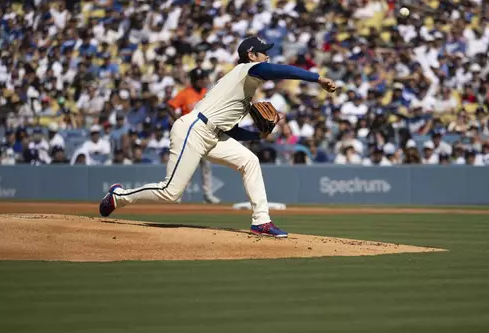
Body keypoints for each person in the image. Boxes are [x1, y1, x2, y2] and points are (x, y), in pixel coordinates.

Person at [100, 37, 337, 237]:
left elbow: (230, 130)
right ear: (252, 55)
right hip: (193, 129)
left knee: (250, 161)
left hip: (212, 133)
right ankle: (118, 196)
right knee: (171, 192)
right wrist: (317, 79)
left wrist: (256, 135)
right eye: (264, 52)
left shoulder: (243, 90)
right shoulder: (247, 69)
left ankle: (261, 221)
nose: (267, 56)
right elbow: (278, 70)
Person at [167, 67, 222, 204]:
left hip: (205, 134)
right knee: (186, 166)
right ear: (193, 80)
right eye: (199, 79)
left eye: (203, 78)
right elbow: (170, 106)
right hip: (190, 134)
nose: (202, 81)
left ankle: (208, 194)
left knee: (206, 166)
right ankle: (177, 195)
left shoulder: (207, 92)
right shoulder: (185, 93)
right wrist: (178, 120)